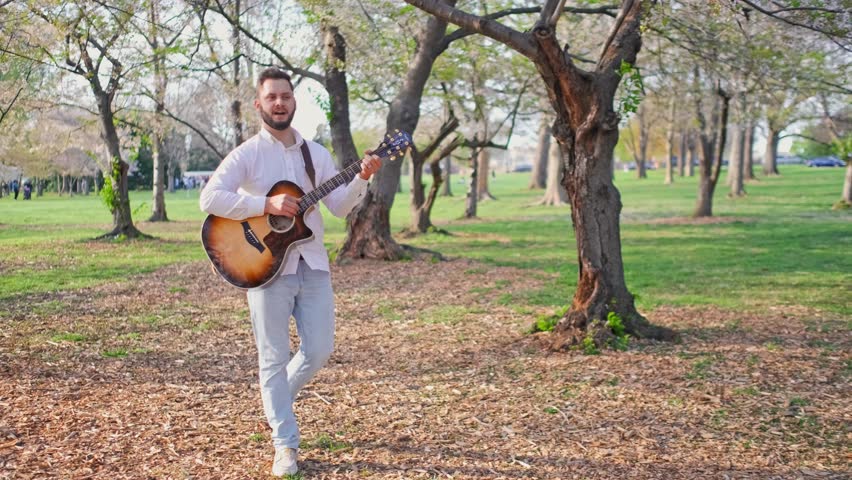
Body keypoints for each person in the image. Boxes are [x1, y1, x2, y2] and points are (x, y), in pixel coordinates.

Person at [199, 67, 381, 477]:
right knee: (272, 358)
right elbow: (209, 197)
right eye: (272, 97)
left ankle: (276, 398)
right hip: (264, 268)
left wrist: (361, 180)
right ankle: (285, 445)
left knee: (319, 350)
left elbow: (337, 207)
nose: (279, 102)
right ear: (259, 104)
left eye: (285, 95)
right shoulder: (248, 153)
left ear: (294, 101)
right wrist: (266, 205)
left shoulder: (314, 154)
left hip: (312, 263)